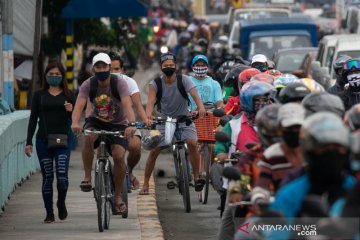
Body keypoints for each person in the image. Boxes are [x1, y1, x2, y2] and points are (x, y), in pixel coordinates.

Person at [71, 52, 137, 215]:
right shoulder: (88, 84)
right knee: (88, 136)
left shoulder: (119, 83)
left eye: (104, 66)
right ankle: (87, 177)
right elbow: (78, 105)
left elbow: (128, 105)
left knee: (119, 156)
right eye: (98, 67)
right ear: (94, 69)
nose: (101, 69)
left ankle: (118, 197)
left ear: (109, 68)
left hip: (118, 124)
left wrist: (132, 124)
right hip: (96, 121)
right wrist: (74, 122)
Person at [140, 52, 206, 195]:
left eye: (171, 65)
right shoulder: (155, 84)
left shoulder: (185, 80)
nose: (169, 67)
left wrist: (200, 108)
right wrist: (148, 117)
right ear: (161, 67)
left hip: (184, 119)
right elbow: (150, 102)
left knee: (193, 144)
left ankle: (196, 177)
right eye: (166, 65)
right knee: (154, 150)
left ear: (175, 66)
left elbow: (195, 96)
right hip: (164, 121)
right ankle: (145, 184)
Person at [216, 81, 274, 240]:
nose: (263, 103)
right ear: (248, 101)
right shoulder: (234, 124)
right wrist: (221, 154)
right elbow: (221, 144)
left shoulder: (273, 123)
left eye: (265, 99)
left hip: (267, 178)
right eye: (258, 100)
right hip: (239, 180)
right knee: (228, 225)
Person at [25, 60, 75, 223]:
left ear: (62, 76)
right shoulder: (39, 95)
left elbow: (74, 121)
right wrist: (28, 142)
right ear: (46, 75)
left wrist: (71, 111)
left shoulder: (69, 95)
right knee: (47, 177)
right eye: (51, 74)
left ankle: (61, 202)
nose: (54, 77)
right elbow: (33, 119)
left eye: (57, 74)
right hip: (42, 141)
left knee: (62, 177)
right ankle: (49, 213)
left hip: (62, 139)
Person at [108, 52, 150, 190]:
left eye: (116, 69)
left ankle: (129, 171)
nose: (113, 72)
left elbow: (138, 105)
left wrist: (146, 121)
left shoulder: (129, 82)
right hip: (104, 125)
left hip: (127, 124)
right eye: (109, 69)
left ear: (122, 70)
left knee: (135, 147)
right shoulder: (96, 82)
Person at [251, 103, 306, 205]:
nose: (294, 131)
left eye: (297, 127)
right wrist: (259, 198)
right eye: (289, 128)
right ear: (280, 128)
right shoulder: (271, 155)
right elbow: (262, 184)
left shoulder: (312, 151)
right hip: (283, 209)